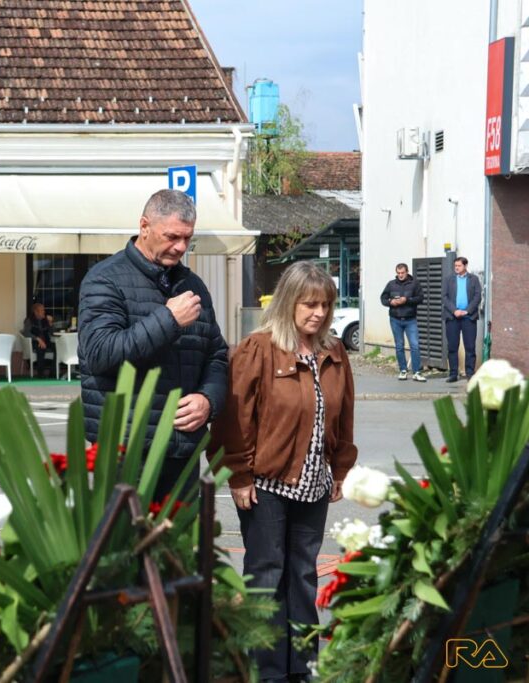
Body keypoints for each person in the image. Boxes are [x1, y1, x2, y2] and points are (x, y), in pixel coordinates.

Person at [209, 261, 357, 682]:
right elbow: (234, 418)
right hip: (266, 485)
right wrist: (239, 475)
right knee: (266, 575)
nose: (319, 313)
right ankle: (267, 671)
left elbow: (344, 415)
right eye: (310, 304)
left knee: (303, 576)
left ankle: (302, 668)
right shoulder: (258, 348)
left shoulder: (334, 351)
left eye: (325, 305)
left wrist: (340, 469)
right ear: (289, 302)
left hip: (314, 485)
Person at [78, 189, 228, 502]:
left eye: (187, 238)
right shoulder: (104, 280)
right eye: (172, 236)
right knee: (123, 535)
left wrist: (208, 400)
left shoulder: (193, 286)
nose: (181, 247)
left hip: (182, 449)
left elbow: (216, 356)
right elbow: (101, 354)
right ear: (144, 226)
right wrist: (169, 319)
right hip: (126, 449)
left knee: (181, 536)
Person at [379, 262, 425, 382]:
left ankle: (416, 372)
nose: (400, 275)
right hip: (395, 319)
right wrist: (391, 302)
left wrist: (407, 300)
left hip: (410, 319)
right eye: (398, 273)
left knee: (415, 345)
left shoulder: (415, 283)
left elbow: (420, 298)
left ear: (407, 272)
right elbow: (383, 298)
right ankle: (403, 370)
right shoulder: (391, 284)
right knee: (399, 346)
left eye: (402, 273)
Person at [442, 256, 482, 383]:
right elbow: (444, 297)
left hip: (469, 317)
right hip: (452, 317)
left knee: (470, 347)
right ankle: (453, 374)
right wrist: (454, 310)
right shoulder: (449, 279)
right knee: (452, 346)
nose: (456, 268)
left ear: (465, 266)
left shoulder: (473, 279)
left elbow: (477, 296)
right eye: (455, 266)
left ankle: (470, 373)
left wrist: (467, 310)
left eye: (459, 266)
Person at [21, 302, 55, 377]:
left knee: (57, 348)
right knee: (40, 348)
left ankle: (53, 373)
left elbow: (52, 333)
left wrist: (50, 324)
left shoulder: (45, 320)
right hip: (34, 342)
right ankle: (41, 374)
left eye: (43, 310)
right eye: (42, 310)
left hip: (46, 341)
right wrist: (38, 339)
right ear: (36, 312)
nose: (44, 312)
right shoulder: (29, 320)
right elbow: (26, 333)